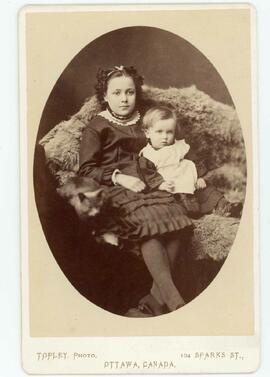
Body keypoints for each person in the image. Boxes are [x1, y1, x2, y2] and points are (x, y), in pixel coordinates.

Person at [78, 65, 194, 317]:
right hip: (117, 187)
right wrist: (120, 178)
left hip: (152, 182)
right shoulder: (96, 127)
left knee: (180, 222)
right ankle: (174, 302)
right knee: (148, 226)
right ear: (105, 96)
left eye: (129, 92)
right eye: (117, 93)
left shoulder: (147, 121)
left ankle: (153, 301)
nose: (124, 98)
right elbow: (85, 170)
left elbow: (166, 149)